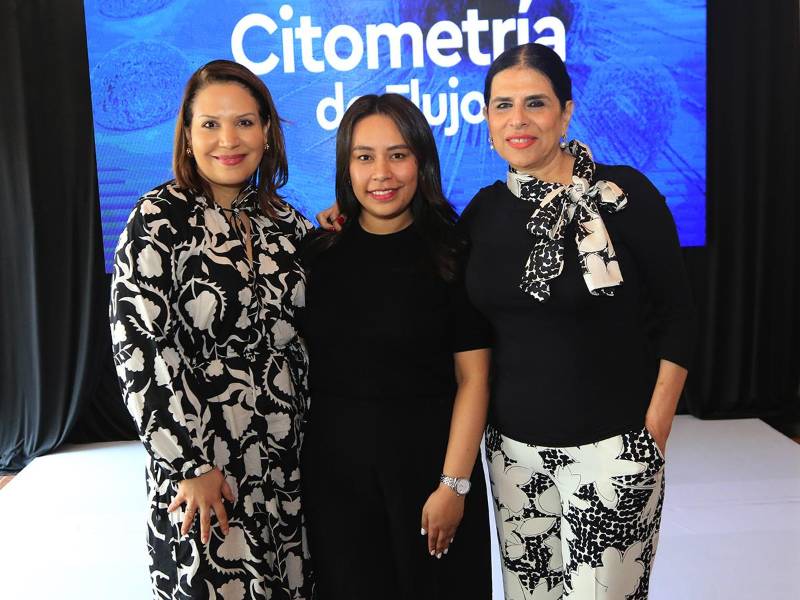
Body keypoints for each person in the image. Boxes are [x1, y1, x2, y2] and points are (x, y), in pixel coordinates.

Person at [459, 43, 695, 599]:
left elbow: (679, 317)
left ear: (565, 112)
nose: (517, 120)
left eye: (535, 103)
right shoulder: (481, 213)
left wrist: (651, 435)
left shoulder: (625, 195)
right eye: (502, 105)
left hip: (613, 454)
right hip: (515, 461)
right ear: (488, 117)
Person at [110, 60, 314, 599]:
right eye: (210, 124)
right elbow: (142, 350)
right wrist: (189, 463)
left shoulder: (290, 226)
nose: (229, 140)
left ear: (268, 131)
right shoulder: (157, 219)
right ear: (187, 132)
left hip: (286, 465)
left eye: (245, 122)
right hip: (206, 465)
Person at [299, 93, 493, 600]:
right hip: (336, 481)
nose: (381, 172)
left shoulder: (452, 253)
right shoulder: (318, 254)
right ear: (346, 166)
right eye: (364, 157)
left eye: (398, 154)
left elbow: (474, 378)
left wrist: (454, 485)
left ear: (422, 160)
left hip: (430, 473)